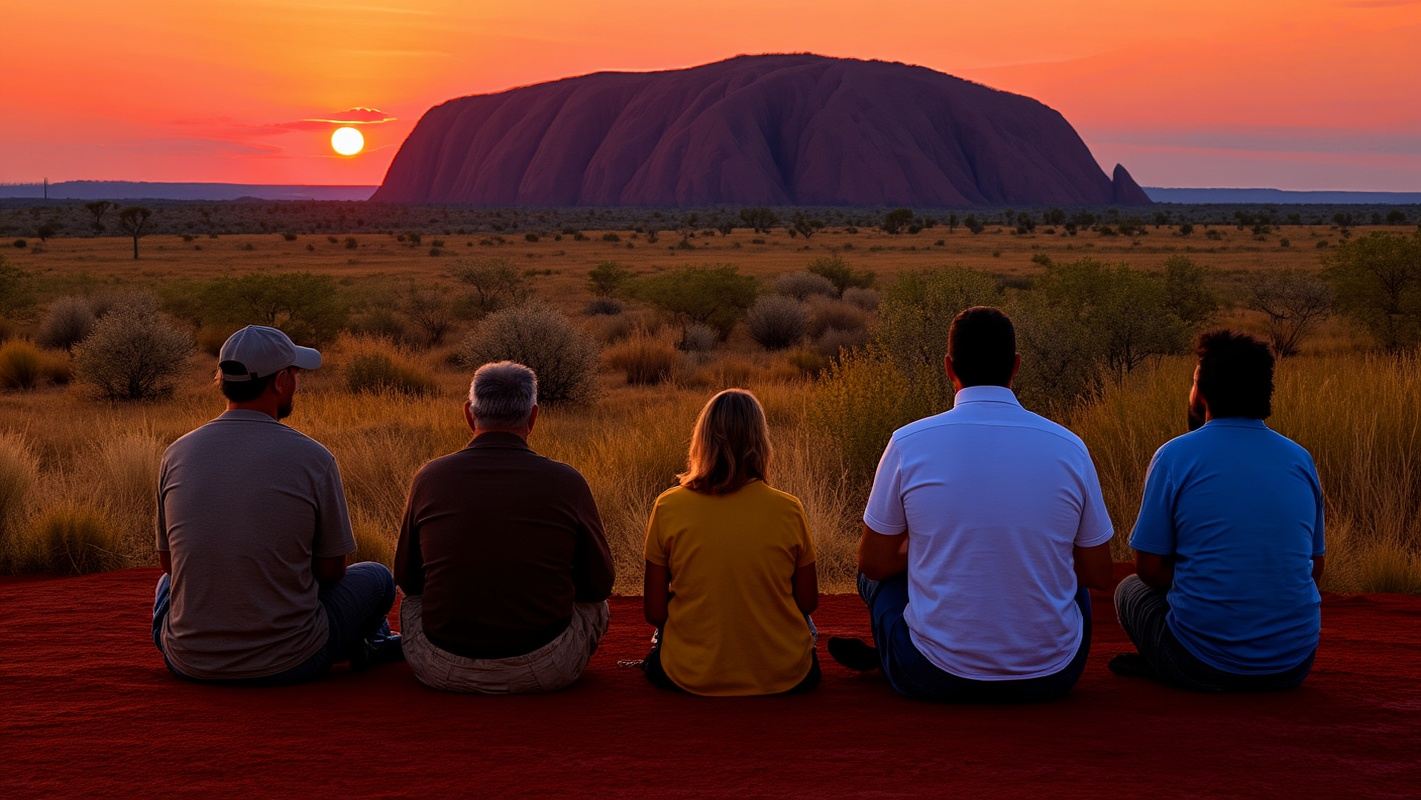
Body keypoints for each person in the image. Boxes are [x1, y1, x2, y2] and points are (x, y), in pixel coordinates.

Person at [829, 306, 1114, 702]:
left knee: (876, 578)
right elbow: (1099, 572)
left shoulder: (907, 443)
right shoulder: (1069, 447)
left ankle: (898, 652)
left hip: (934, 675)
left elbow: (873, 563)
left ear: (949, 367)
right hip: (1053, 676)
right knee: (1071, 585)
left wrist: (927, 547)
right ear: (1015, 366)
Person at [153, 325, 399, 685]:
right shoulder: (313, 458)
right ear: (281, 381)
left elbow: (169, 564)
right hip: (291, 660)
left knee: (164, 584)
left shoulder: (176, 453)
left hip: (188, 661)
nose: (297, 383)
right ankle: (372, 645)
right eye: (296, 374)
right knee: (377, 578)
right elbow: (332, 571)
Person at [1112, 330, 1325, 691]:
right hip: (1293, 664)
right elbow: (1314, 568)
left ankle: (1169, 662)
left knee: (1129, 590)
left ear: (1202, 391)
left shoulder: (1175, 456)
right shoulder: (1298, 459)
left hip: (1203, 662)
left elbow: (1148, 568)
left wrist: (1204, 584)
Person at [394, 361, 614, 694]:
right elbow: (598, 585)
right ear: (533, 417)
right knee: (597, 608)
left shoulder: (430, 478)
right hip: (545, 666)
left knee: (411, 603)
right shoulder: (567, 482)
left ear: (470, 414)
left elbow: (409, 579)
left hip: (441, 667)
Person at [641, 388, 820, 696]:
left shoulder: (667, 506)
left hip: (690, 674)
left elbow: (655, 611)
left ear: (702, 441)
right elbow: (807, 602)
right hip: (783, 674)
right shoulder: (789, 509)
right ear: (760, 443)